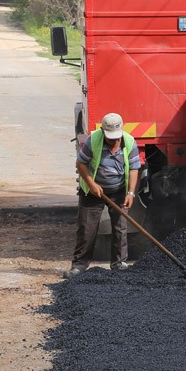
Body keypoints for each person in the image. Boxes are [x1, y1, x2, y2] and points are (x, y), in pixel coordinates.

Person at [65, 113, 142, 279]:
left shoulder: (129, 142)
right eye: (110, 138)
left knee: (120, 227)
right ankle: (79, 266)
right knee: (87, 228)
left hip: (119, 190)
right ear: (103, 131)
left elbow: (135, 167)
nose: (113, 141)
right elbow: (81, 163)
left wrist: (130, 193)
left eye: (116, 138)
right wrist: (92, 185)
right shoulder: (93, 141)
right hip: (92, 191)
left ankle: (119, 264)